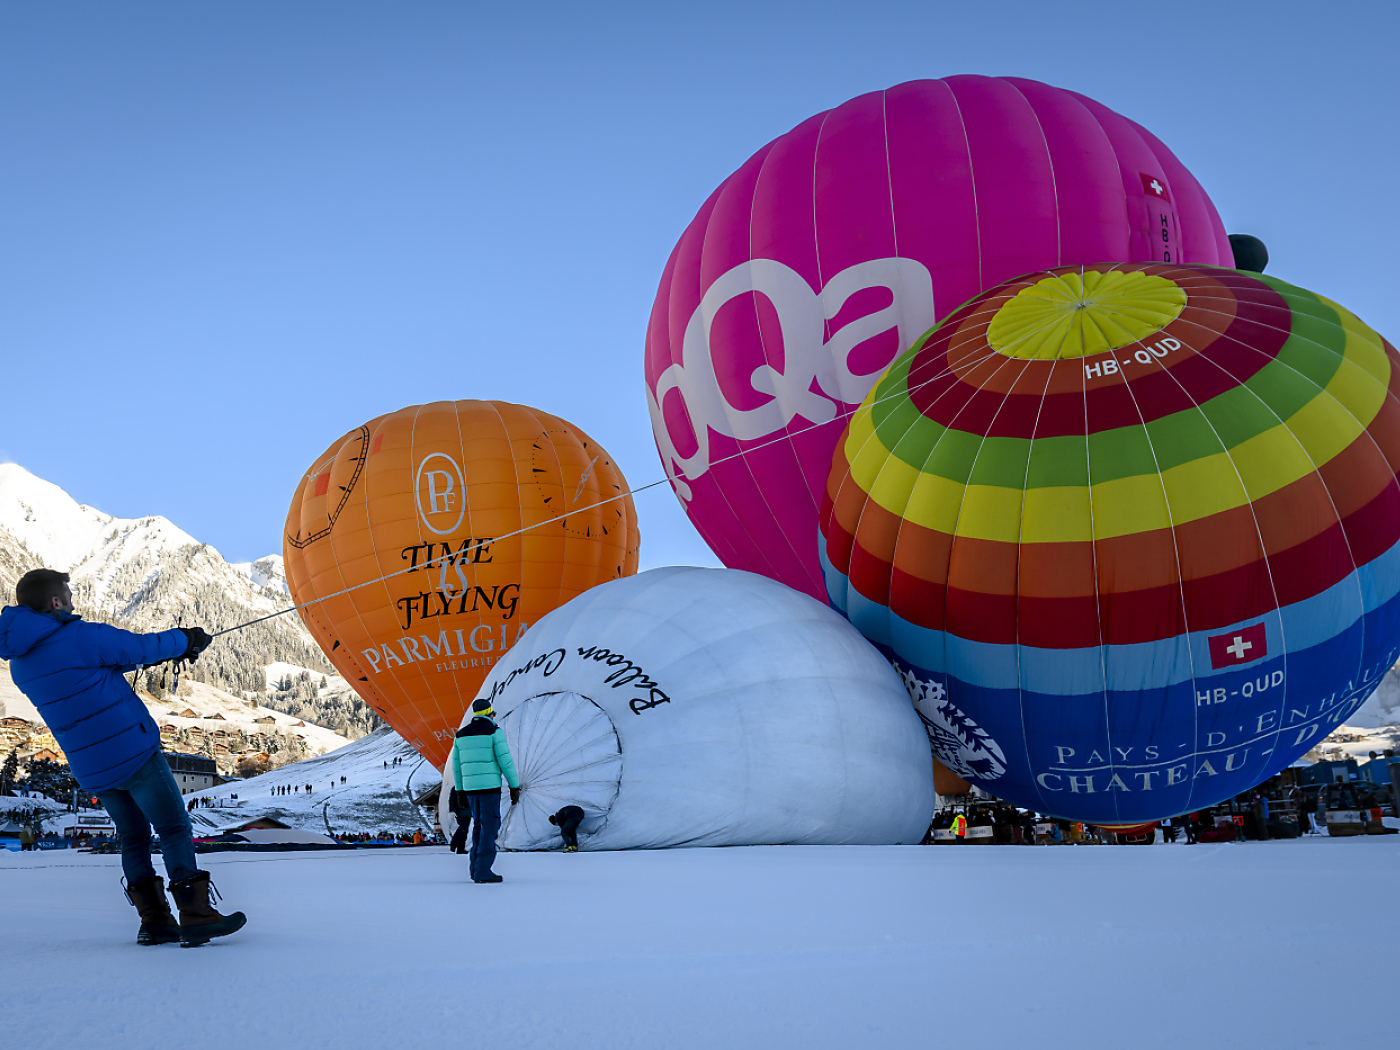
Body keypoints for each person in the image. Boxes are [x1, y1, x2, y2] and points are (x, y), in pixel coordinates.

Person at [0, 568, 245, 947]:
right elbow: (140, 647)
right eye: (68, 594)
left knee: (133, 836)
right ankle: (197, 915)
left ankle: (155, 921)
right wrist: (187, 640)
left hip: (92, 768)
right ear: (55, 601)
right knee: (174, 828)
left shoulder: (21, 663)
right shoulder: (80, 636)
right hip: (133, 752)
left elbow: (89, 670)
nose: (73, 601)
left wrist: (148, 658)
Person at [449, 697, 521, 883]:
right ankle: (483, 870)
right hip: (489, 788)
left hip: (470, 789)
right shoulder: (494, 732)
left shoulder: (460, 735)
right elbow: (505, 761)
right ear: (490, 714)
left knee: (478, 827)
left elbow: (457, 767)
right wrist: (514, 786)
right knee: (490, 828)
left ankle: (475, 868)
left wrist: (460, 790)